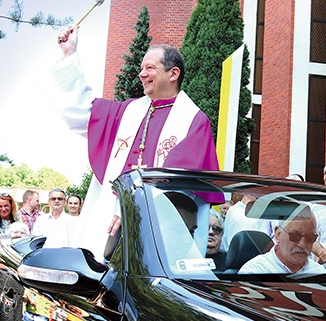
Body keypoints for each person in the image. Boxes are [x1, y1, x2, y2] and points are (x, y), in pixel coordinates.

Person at [46, 28, 220, 259]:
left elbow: (178, 185)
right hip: (108, 215)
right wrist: (70, 54)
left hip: (156, 230)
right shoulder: (126, 111)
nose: (141, 74)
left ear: (173, 73)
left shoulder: (193, 121)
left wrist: (134, 214)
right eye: (141, 68)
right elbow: (83, 112)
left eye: (150, 68)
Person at [240, 205, 326, 274]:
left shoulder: (318, 272)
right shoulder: (255, 271)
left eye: (310, 238)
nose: (302, 244)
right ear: (278, 235)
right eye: (295, 236)